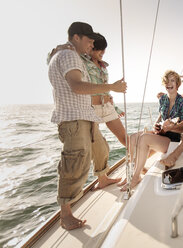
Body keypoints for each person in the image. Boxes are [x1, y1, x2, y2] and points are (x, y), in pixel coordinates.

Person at [48, 22, 127, 230]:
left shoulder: (70, 54)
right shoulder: (68, 55)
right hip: (73, 118)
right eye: (89, 40)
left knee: (101, 148)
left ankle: (102, 179)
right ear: (76, 37)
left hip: (85, 116)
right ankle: (65, 215)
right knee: (74, 164)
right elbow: (76, 85)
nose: (92, 44)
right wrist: (112, 87)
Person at [48, 34, 129, 147]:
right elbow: (52, 59)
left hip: (107, 107)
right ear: (90, 47)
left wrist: (114, 107)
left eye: (104, 49)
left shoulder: (103, 66)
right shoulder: (79, 60)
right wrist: (62, 47)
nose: (102, 52)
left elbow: (104, 88)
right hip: (91, 109)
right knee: (93, 146)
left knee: (125, 138)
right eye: (99, 49)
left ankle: (136, 162)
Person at [119, 70, 183, 191]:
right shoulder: (162, 100)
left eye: (172, 80)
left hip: (173, 139)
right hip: (160, 134)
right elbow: (160, 117)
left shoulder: (182, 103)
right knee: (133, 137)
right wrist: (156, 124)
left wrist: (171, 127)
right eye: (167, 81)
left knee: (144, 138)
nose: (169, 83)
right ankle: (133, 172)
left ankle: (136, 177)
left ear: (177, 84)